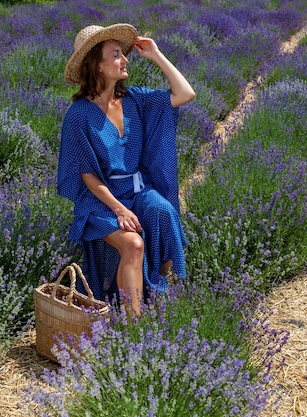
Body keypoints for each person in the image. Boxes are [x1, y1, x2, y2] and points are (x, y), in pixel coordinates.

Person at [57, 23, 195, 316]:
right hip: (100, 201)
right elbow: (87, 176)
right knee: (132, 243)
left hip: (137, 191)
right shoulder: (78, 116)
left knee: (164, 213)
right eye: (117, 55)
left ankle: (155, 288)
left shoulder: (136, 100)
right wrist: (119, 209)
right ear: (97, 65)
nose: (125, 59)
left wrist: (156, 55)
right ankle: (134, 327)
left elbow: (185, 94)